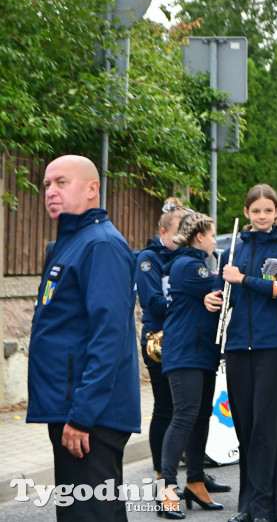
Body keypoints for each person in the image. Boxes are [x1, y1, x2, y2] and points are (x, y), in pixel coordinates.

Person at [27, 155, 140, 522]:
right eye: (47, 184)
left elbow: (109, 336)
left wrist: (82, 415)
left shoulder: (100, 245)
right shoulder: (71, 243)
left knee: (91, 514)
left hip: (90, 415)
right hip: (70, 406)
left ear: (93, 189)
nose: (51, 192)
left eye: (62, 182)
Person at [203, 184, 277, 522]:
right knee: (245, 429)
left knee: (268, 431)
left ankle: (265, 508)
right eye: (256, 211)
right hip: (238, 346)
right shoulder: (233, 247)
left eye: (268, 211)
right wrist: (212, 297)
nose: (262, 216)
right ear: (247, 213)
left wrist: (243, 279)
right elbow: (221, 284)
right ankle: (248, 506)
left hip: (275, 346)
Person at [159, 212, 224, 518]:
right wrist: (233, 270)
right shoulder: (188, 265)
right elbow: (221, 286)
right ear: (199, 236)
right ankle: (167, 489)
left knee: (200, 419)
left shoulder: (194, 264)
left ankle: (196, 483)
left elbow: (214, 295)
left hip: (200, 353)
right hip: (185, 352)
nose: (214, 240)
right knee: (184, 416)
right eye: (212, 235)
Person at [135, 200, 189, 486]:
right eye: (178, 234)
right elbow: (153, 302)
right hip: (159, 339)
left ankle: (195, 473)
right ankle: (160, 469)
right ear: (162, 232)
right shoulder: (148, 258)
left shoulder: (185, 256)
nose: (182, 240)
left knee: (190, 407)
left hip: (185, 336)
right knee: (165, 406)